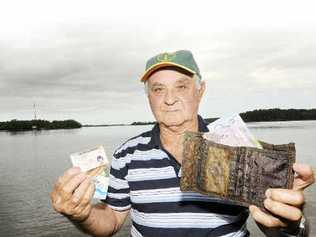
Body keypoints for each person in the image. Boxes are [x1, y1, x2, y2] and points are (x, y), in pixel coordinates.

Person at [50, 50, 315, 237]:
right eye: (158, 89)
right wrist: (82, 214)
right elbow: (110, 222)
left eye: (181, 86)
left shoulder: (239, 148)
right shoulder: (126, 155)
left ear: (200, 91)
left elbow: (273, 227)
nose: (169, 99)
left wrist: (291, 224)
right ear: (149, 98)